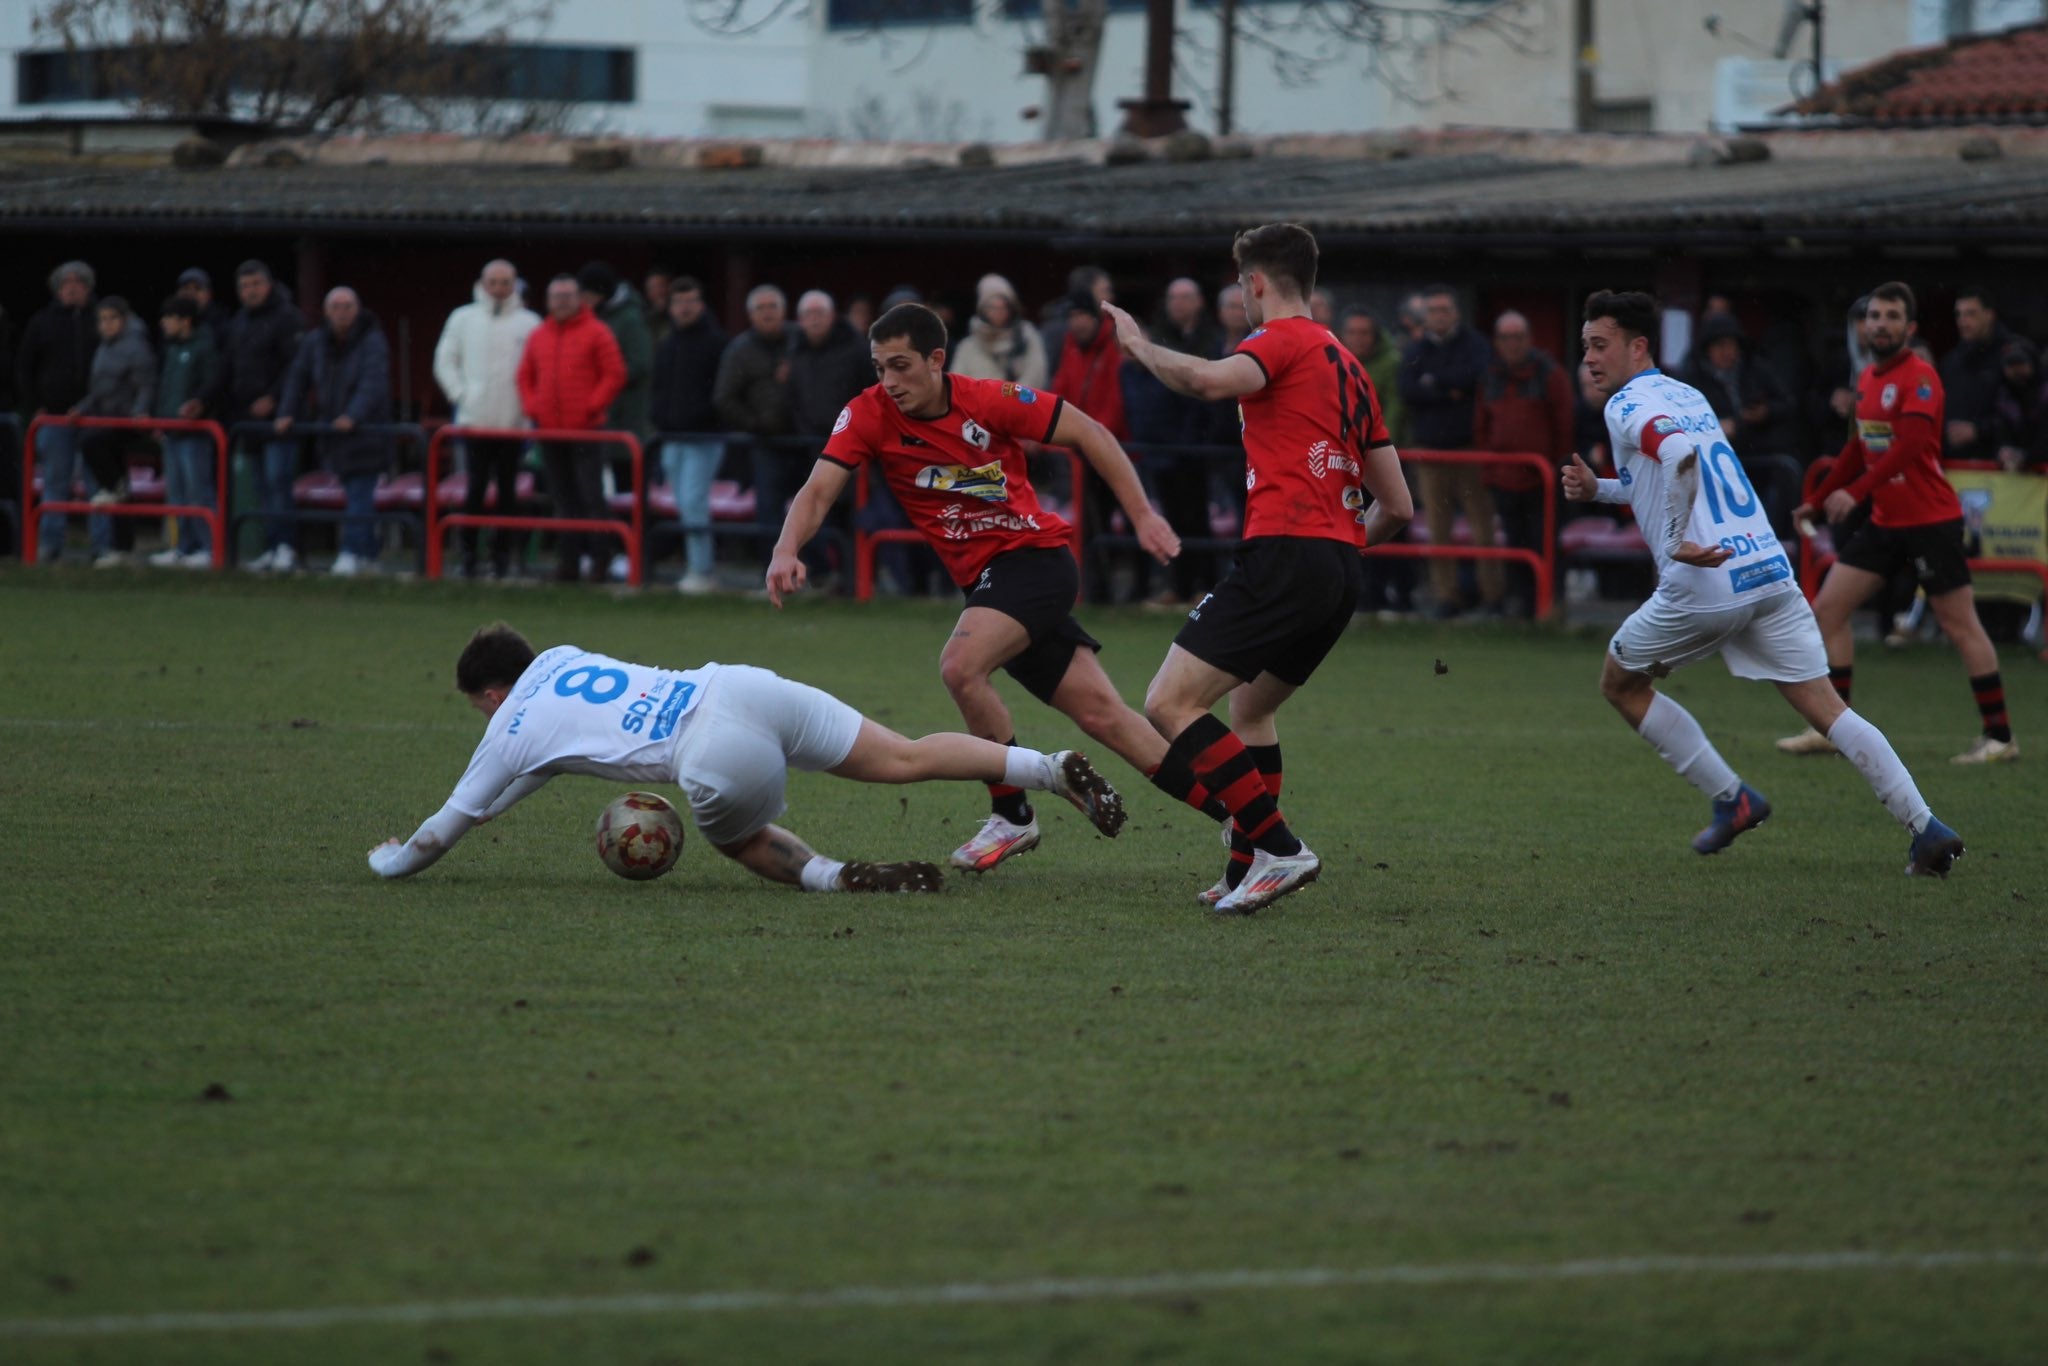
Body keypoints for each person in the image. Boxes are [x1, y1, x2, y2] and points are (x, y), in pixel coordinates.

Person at [768, 302, 1211, 876]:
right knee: (1107, 717)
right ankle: (1244, 823)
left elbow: (1092, 432)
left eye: (901, 366)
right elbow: (818, 488)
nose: (889, 382)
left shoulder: (990, 399)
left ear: (936, 359)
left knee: (960, 666)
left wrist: (1144, 514)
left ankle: (1014, 812)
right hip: (989, 583)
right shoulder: (868, 414)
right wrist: (785, 547)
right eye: (879, 368)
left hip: (1034, 562)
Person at [1565, 288, 1964, 876]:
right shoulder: (1687, 393)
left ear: (1637, 346)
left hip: (1705, 583)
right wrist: (1599, 488)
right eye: (1585, 348)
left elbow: (1675, 455)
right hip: (1768, 571)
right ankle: (1925, 826)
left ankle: (1734, 798)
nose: (1589, 359)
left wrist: (1675, 542)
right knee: (1828, 709)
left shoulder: (1626, 406)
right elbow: (1668, 472)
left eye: (1600, 346)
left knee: (1621, 685)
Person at [1105, 222, 1413, 914]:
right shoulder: (1351, 367)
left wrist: (1138, 346)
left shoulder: (1279, 340)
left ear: (1257, 284)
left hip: (1286, 551)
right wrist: (1335, 549)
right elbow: (1397, 504)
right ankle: (1247, 865)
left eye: (1241, 285)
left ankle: (1280, 848)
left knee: (1167, 703)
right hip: (1339, 564)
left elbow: (1209, 381)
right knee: (1251, 708)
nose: (1241, 296)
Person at [365, 624, 1128, 892]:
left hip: (709, 749)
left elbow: (445, 827)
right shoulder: (560, 655)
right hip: (740, 686)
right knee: (905, 755)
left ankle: (837, 878)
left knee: (737, 840)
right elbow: (535, 767)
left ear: (492, 696)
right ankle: (1049, 767)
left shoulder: (508, 731)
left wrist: (392, 860)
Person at [1778, 282, 2018, 766]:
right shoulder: (1867, 379)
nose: (1880, 324)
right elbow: (1855, 450)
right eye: (1874, 316)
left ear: (1908, 328)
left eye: (1891, 316)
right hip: (1887, 522)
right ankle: (1832, 727)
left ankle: (2000, 737)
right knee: (1828, 610)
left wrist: (1856, 493)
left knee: (1959, 624)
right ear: (1864, 327)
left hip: (1930, 521)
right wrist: (1818, 501)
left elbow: (1909, 447)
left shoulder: (1921, 377)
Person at [433, 258, 540, 579]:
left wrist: (527, 408)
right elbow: (445, 360)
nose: (498, 289)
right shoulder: (463, 318)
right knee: (475, 489)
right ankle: (468, 555)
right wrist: (462, 396)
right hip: (475, 421)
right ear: (483, 283)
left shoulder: (529, 323)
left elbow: (538, 370)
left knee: (509, 493)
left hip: (513, 424)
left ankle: (502, 556)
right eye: (493, 282)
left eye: (505, 282)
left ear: (514, 284)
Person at [277, 287, 395, 578]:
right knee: (356, 495)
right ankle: (367, 554)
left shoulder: (372, 341)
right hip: (333, 434)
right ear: (326, 311)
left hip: (367, 433)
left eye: (347, 306)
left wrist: (353, 416)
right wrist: (287, 412)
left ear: (358, 309)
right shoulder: (315, 342)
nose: (342, 312)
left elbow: (373, 384)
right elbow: (298, 377)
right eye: (336, 306)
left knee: (359, 492)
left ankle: (351, 553)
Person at [517, 274, 627, 583]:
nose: (562, 302)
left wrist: (592, 407)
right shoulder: (539, 335)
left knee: (591, 498)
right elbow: (524, 375)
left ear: (579, 299)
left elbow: (614, 373)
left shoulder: (597, 332)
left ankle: (601, 562)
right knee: (562, 499)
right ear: (549, 301)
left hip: (587, 432)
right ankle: (568, 565)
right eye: (557, 297)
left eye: (567, 296)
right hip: (551, 432)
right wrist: (533, 407)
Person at [1399, 283, 1494, 618]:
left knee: (1482, 527)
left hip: (1469, 451)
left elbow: (1474, 378)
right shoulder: (1416, 348)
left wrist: (1435, 383)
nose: (1439, 316)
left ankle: (1491, 597)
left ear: (1456, 313)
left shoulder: (1475, 344)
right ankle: (1446, 597)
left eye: (1444, 310)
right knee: (1438, 530)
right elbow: (1408, 388)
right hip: (1430, 454)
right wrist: (1447, 389)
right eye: (1433, 311)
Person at [1471, 310, 1574, 615]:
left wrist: (1556, 470)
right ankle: (1523, 606)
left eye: (1517, 337)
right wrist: (1489, 469)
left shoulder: (1550, 374)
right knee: (1515, 545)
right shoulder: (1490, 376)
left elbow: (1564, 426)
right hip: (1504, 478)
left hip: (1542, 479)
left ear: (1529, 339)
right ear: (1497, 342)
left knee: (1543, 544)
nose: (1512, 344)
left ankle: (1549, 606)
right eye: (1505, 338)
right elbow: (1481, 426)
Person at [1679, 310, 1803, 538]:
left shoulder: (1755, 368)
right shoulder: (1691, 376)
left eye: (1732, 345)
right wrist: (1717, 426)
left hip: (1761, 462)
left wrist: (1765, 412)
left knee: (1765, 524)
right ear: (1708, 348)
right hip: (1714, 470)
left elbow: (1787, 403)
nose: (1728, 352)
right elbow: (1680, 420)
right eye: (1721, 346)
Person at [221, 261, 306, 573]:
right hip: (248, 422)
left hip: (280, 420)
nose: (250, 291)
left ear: (268, 285)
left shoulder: (287, 318)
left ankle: (287, 547)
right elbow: (228, 368)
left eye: (255, 284)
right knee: (260, 487)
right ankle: (271, 547)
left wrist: (275, 399)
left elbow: (296, 367)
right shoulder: (238, 322)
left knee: (278, 484)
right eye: (244, 286)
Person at [18, 260, 103, 563]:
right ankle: (49, 546)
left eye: (78, 282)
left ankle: (101, 549)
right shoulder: (42, 321)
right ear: (56, 289)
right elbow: (25, 368)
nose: (72, 288)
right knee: (55, 482)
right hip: (54, 417)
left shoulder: (101, 318)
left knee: (99, 484)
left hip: (96, 416)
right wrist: (36, 405)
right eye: (66, 283)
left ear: (88, 287)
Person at [649, 276, 728, 594]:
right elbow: (657, 389)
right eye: (679, 302)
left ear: (701, 305)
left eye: (690, 301)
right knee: (683, 504)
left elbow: (720, 393)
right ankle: (694, 566)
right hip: (671, 437)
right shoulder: (667, 344)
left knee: (694, 502)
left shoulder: (716, 343)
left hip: (704, 437)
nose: (684, 308)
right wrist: (658, 418)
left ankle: (701, 570)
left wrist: (703, 417)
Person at [1344, 307, 1416, 618]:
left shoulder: (1391, 365)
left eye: (1364, 333)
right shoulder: (1340, 363)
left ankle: (1399, 595)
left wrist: (1381, 450)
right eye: (1353, 333)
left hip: (1379, 455)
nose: (1358, 339)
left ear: (1375, 337)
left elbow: (1391, 413)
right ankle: (1367, 594)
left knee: (1394, 524)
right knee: (1356, 524)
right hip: (1349, 460)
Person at [714, 284, 797, 554]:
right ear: (751, 315)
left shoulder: (801, 340)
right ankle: (771, 569)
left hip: (808, 439)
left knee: (815, 504)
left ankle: (819, 572)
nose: (768, 313)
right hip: (767, 442)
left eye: (773, 306)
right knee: (770, 509)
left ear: (784, 311)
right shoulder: (740, 350)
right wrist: (756, 424)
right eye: (761, 308)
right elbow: (724, 398)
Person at [74, 295, 157, 565]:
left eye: (112, 318)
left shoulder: (136, 347)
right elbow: (99, 390)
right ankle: (121, 547)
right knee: (117, 484)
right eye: (103, 319)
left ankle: (115, 488)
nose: (107, 324)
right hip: (106, 419)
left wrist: (140, 411)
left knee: (91, 443)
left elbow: (146, 383)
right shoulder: (104, 348)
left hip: (126, 421)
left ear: (124, 319)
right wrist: (81, 408)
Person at [145, 295, 220, 569]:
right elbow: (166, 388)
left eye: (169, 318)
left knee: (198, 491)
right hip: (172, 432)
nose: (164, 324)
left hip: (194, 434)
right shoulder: (171, 349)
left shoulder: (203, 347)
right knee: (176, 493)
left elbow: (211, 385)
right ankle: (182, 547)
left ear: (185, 320)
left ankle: (211, 548)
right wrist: (160, 419)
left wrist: (198, 403)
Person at [1939, 287, 2010, 464]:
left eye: (1971, 313)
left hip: (1999, 467)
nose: (1963, 321)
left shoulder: (2010, 357)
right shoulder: (1950, 361)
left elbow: (2024, 415)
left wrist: (1978, 430)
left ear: (1989, 315)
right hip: (1953, 465)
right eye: (1959, 314)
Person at [950, 273, 1049, 389]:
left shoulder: (1027, 337)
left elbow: (1036, 374)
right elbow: (958, 384)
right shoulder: (968, 347)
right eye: (992, 307)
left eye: (1003, 307)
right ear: (982, 309)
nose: (998, 312)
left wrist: (1011, 398)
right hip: (980, 405)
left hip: (1020, 404)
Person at [1990, 336, 2048, 472]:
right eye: (2010, 365)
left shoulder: (2044, 395)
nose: (2016, 371)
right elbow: (1996, 433)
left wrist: (2026, 456)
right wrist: (2002, 451)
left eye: (2021, 364)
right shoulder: (2001, 397)